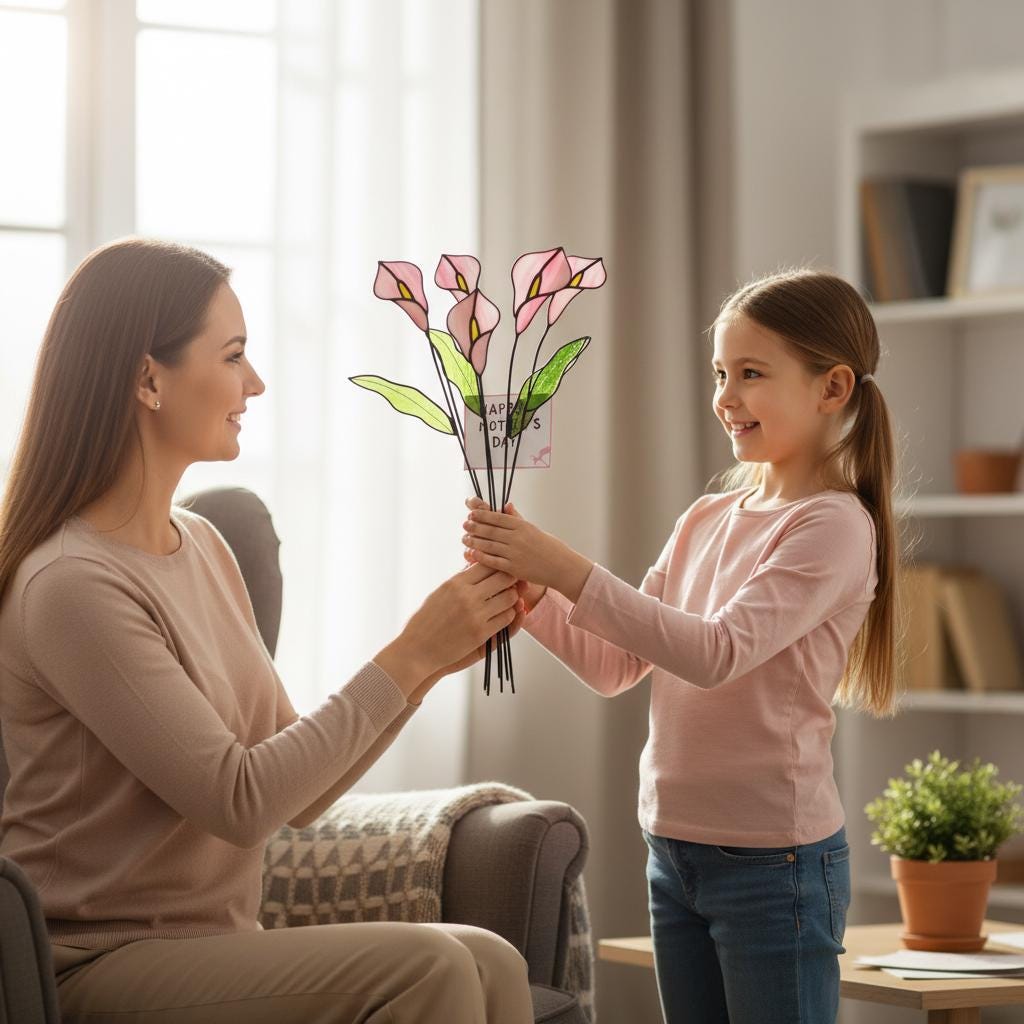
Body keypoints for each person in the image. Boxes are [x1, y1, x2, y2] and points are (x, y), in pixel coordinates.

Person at [0, 237, 534, 1024]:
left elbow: (299, 794)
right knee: (431, 965)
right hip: (96, 963)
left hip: (213, 947)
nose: (255, 382)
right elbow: (241, 802)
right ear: (148, 379)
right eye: (233, 356)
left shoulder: (203, 546)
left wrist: (433, 663)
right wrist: (412, 648)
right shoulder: (71, 584)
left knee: (490, 957)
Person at [461, 269, 901, 1024]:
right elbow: (615, 665)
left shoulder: (831, 526)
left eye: (751, 373)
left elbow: (715, 653)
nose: (725, 396)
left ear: (831, 388)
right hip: (672, 847)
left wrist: (563, 566)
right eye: (720, 374)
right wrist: (533, 599)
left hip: (773, 862)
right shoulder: (705, 518)